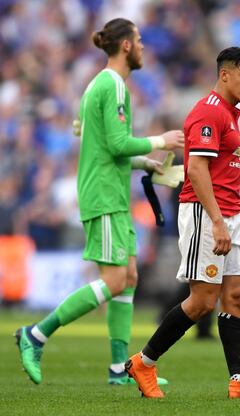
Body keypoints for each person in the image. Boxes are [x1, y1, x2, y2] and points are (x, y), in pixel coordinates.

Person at [15, 17, 184, 386]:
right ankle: (35, 334)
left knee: (129, 277)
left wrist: (145, 162)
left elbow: (107, 146)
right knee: (113, 279)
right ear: (125, 45)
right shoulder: (113, 86)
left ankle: (119, 368)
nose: (142, 46)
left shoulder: (101, 85)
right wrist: (161, 140)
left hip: (113, 193)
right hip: (104, 196)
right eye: (138, 40)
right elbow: (117, 144)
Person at [125, 47, 240, 399]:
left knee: (237, 295)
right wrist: (216, 221)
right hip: (205, 212)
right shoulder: (208, 112)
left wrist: (229, 218)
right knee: (201, 301)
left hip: (233, 212)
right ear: (224, 74)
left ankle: (239, 382)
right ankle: (143, 362)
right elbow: (196, 169)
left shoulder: (230, 115)